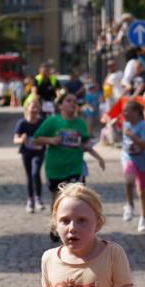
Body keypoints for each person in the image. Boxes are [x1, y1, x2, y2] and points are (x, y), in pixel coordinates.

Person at [33, 90, 105, 240]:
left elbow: (85, 142)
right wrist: (51, 141)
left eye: (75, 102)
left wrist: (98, 157)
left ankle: (78, 230)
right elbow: (36, 139)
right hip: (55, 167)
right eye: (69, 101)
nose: (73, 104)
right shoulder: (53, 122)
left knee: (77, 198)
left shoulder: (80, 123)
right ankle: (56, 227)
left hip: (75, 167)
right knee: (58, 200)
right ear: (60, 106)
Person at [121, 100, 145, 233]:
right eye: (124, 111)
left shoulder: (143, 126)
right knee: (129, 181)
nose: (124, 114)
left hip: (143, 160)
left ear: (136, 112)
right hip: (128, 157)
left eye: (127, 111)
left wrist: (132, 137)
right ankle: (129, 205)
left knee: (142, 190)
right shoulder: (125, 124)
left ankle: (144, 216)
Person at [13, 97, 46, 212]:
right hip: (26, 152)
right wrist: (21, 140)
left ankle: (38, 198)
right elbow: (15, 139)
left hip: (39, 152)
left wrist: (42, 140)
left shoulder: (42, 122)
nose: (35, 109)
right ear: (27, 108)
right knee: (29, 176)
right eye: (32, 107)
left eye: (37, 107)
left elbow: (49, 136)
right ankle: (30, 200)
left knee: (35, 172)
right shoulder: (22, 123)